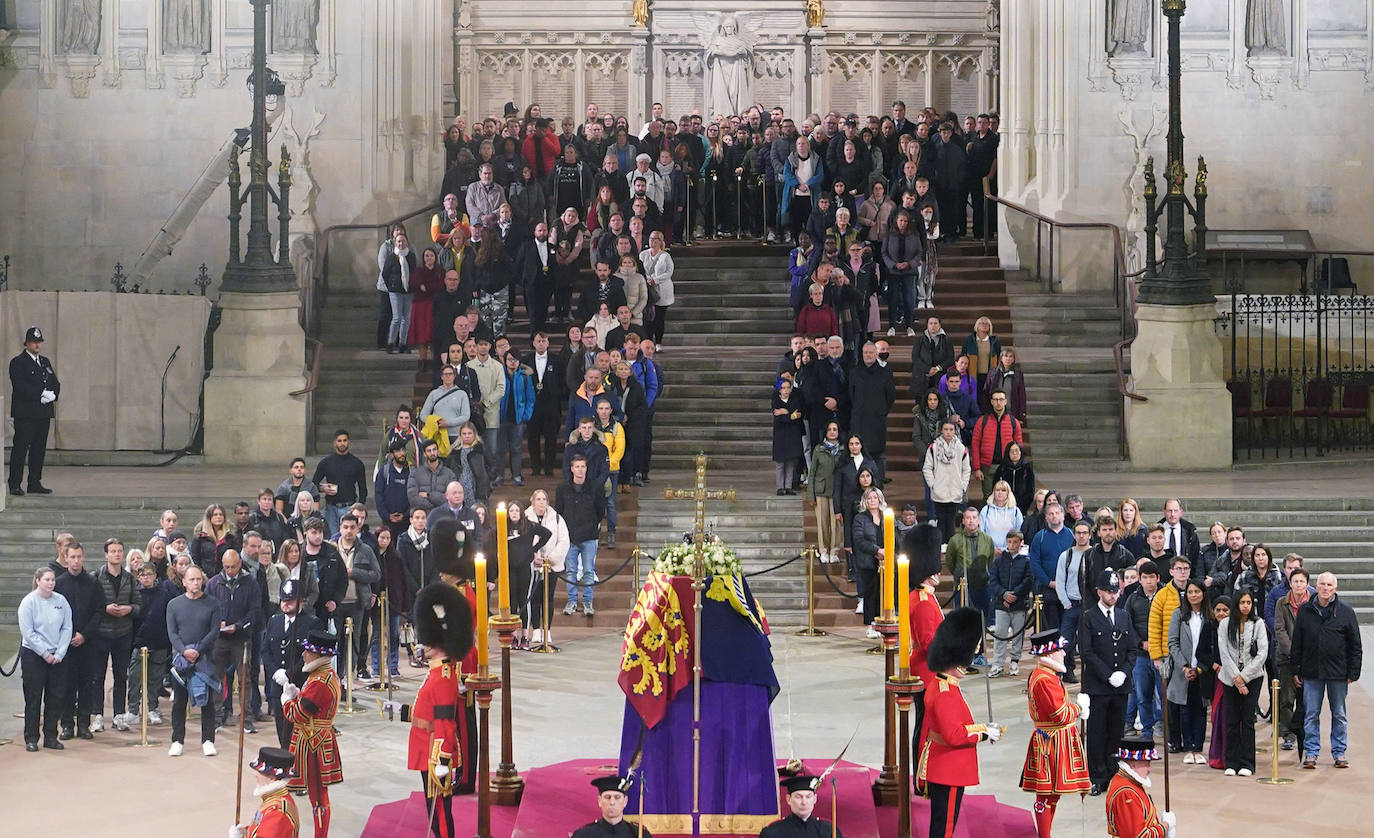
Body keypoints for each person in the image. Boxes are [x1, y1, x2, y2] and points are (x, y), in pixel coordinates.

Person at [389, 582, 475, 838]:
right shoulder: (436, 672)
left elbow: (446, 724)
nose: (422, 644)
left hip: (435, 753)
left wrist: (442, 760)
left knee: (439, 812)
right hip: (426, 748)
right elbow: (426, 713)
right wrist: (401, 711)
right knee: (433, 809)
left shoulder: (444, 677)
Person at [916, 607, 1003, 838]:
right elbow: (955, 734)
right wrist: (984, 732)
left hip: (944, 766)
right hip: (949, 768)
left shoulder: (942, 683)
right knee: (944, 829)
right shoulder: (945, 691)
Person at [1019, 628, 1091, 838]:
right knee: (1046, 794)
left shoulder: (1046, 674)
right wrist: (1079, 708)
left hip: (1054, 740)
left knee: (1052, 794)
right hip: (1051, 743)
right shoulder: (1044, 679)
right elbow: (1060, 714)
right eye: (1060, 650)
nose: (1063, 653)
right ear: (1049, 654)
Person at [1290, 571, 1362, 770]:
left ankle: (1339, 752)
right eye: (1322, 584)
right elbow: (1297, 642)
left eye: (1330, 585)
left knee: (1339, 714)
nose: (1325, 588)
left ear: (1335, 589)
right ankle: (1311, 752)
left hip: (1338, 674)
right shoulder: (1305, 611)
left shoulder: (1346, 612)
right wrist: (1296, 668)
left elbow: (1355, 645)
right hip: (1312, 673)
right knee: (1311, 714)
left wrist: (1353, 672)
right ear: (1316, 586)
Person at [1079, 569, 1137, 796]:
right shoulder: (1088, 617)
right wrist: (1107, 675)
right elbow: (1087, 652)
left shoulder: (1124, 616)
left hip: (1120, 687)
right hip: (1098, 686)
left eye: (1116, 591)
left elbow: (1132, 649)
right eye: (1109, 592)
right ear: (1099, 592)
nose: (1114, 596)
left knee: (1116, 733)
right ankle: (1097, 776)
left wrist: (1123, 672)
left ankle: (1114, 774)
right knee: (1096, 733)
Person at [281, 627, 344, 837]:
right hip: (317, 739)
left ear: (317, 654)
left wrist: (287, 700)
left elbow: (297, 715)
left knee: (318, 797)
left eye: (308, 651)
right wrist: (297, 694)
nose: (303, 654)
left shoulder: (319, 682)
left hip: (312, 743)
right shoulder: (325, 675)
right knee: (317, 796)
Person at [166, 565, 223, 757]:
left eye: (198, 579)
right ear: (184, 582)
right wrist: (184, 651)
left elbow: (214, 631)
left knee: (207, 702)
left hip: (204, 657)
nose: (195, 583)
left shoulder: (213, 604)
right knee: (179, 702)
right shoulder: (174, 604)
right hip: (181, 659)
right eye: (191, 579)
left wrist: (197, 650)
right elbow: (172, 633)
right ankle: (177, 740)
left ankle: (208, 740)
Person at [19, 566, 72, 751]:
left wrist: (59, 653)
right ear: (38, 581)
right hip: (34, 656)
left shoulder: (61, 601)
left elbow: (67, 627)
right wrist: (44, 654)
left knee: (55, 697)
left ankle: (51, 736)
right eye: (47, 580)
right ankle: (31, 738)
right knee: (34, 698)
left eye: (52, 580)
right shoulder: (28, 602)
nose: (51, 583)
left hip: (57, 657)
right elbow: (28, 632)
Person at [1216, 589, 1267, 776]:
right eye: (1242, 603)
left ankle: (1247, 763)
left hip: (1252, 678)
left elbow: (1262, 653)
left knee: (1247, 720)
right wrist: (1236, 679)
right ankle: (1231, 762)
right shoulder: (1225, 625)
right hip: (1229, 679)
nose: (1245, 606)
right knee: (1231, 720)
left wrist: (1244, 677)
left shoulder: (1259, 623)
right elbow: (1224, 654)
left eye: (1248, 603)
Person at [263, 579, 318, 749]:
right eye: (283, 600)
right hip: (278, 684)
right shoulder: (274, 621)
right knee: (281, 723)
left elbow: (310, 656)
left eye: (290, 600)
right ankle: (285, 756)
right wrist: (275, 672)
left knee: (299, 725)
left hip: (300, 684)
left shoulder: (311, 623)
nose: (285, 604)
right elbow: (265, 651)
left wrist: (289, 673)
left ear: (300, 601)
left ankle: (298, 760)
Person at [904, 522, 945, 738]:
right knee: (925, 727)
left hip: (923, 668)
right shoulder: (923, 601)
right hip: (927, 672)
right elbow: (931, 642)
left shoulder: (922, 596)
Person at [8, 325, 60, 495]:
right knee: (21, 449)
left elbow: (54, 382)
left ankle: (34, 482)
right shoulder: (18, 362)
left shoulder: (44, 361)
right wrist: (41, 393)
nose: (37, 345)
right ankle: (15, 484)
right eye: (33, 342)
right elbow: (20, 386)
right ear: (27, 344)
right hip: (26, 414)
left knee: (39, 450)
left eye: (39, 342)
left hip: (43, 413)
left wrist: (53, 395)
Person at [1166, 580, 1212, 765]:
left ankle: (1198, 748)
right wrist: (1184, 666)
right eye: (1190, 592)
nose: (1194, 595)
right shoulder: (1179, 614)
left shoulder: (1208, 616)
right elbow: (1172, 642)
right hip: (1182, 670)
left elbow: (1211, 644)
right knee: (1184, 710)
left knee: (1200, 710)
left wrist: (1200, 667)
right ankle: (1188, 747)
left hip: (1202, 670)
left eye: (1197, 591)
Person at [557, 453, 607, 617]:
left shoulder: (596, 487)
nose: (580, 470)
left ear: (586, 468)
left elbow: (600, 510)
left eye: (583, 466)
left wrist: (592, 524)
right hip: (570, 536)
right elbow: (559, 511)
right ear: (572, 469)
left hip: (589, 535)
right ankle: (572, 601)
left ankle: (587, 601)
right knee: (570, 571)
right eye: (577, 467)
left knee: (588, 571)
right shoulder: (562, 488)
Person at [1104, 734, 1177, 838]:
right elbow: (1140, 835)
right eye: (1147, 763)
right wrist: (1165, 826)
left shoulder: (1127, 781)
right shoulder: (1127, 793)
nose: (1149, 769)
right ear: (1134, 763)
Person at [1273, 567, 1313, 753]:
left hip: (1309, 659)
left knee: (1307, 699)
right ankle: (1287, 734)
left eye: (1301, 581)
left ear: (1307, 584)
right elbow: (1280, 631)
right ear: (1290, 583)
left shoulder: (1313, 602)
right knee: (1286, 698)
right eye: (1295, 581)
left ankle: (1306, 734)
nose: (1298, 584)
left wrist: (1305, 657)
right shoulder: (1282, 603)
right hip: (1287, 659)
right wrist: (1294, 655)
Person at [1124, 560, 1162, 740]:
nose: (1148, 581)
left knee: (1163, 696)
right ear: (1139, 579)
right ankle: (1147, 731)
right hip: (1141, 655)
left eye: (1151, 577)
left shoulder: (1165, 596)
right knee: (1142, 696)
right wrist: (1140, 643)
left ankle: (1167, 730)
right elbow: (1127, 625)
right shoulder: (1133, 598)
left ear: (1158, 578)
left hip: (1162, 655)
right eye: (1145, 578)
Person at [228, 746, 301, 838]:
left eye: (259, 772)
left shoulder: (277, 812)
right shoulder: (274, 800)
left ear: (272, 778)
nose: (256, 775)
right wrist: (246, 831)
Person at [987, 530, 1032, 677]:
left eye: (1015, 542)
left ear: (1021, 543)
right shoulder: (999, 560)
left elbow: (1028, 581)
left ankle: (1014, 661)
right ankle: (998, 663)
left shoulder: (1026, 561)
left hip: (1019, 604)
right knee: (1000, 634)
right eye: (1009, 542)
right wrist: (1004, 594)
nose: (1012, 545)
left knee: (1018, 634)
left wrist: (1015, 594)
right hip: (1002, 604)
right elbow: (993, 580)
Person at [947, 505, 997, 632]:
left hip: (982, 586)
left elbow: (990, 560)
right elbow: (950, 562)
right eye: (968, 518)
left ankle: (979, 650)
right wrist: (959, 575)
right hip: (962, 587)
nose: (971, 520)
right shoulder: (955, 540)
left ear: (979, 520)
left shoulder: (988, 540)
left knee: (981, 621)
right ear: (963, 521)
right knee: (960, 622)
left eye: (974, 517)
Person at [312, 431, 369, 538]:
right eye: (339, 441)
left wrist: (359, 508)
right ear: (334, 443)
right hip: (330, 508)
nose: (342, 443)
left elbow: (363, 489)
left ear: (349, 442)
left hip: (349, 507)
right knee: (331, 539)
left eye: (344, 440)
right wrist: (323, 488)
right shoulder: (326, 462)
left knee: (349, 537)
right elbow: (313, 484)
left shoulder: (357, 463)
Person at [970, 390, 1023, 500]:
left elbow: (1019, 447)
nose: (998, 402)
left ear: (1005, 401)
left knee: (1007, 498)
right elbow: (975, 444)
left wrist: (1018, 466)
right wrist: (977, 468)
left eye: (1001, 399)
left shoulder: (1014, 422)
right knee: (988, 498)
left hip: (1007, 466)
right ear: (991, 402)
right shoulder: (982, 421)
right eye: (996, 399)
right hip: (988, 466)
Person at [922, 421, 970, 544]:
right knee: (941, 522)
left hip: (955, 491)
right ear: (941, 431)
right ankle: (941, 548)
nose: (948, 432)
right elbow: (927, 468)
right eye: (946, 429)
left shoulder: (961, 448)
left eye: (951, 429)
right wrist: (933, 484)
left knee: (951, 522)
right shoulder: (933, 448)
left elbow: (966, 469)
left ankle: (950, 548)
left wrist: (963, 486)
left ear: (955, 431)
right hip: (939, 492)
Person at [851, 488, 888, 635]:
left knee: (883, 593)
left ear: (880, 500)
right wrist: (877, 551)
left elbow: (894, 536)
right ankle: (870, 625)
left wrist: (887, 552)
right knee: (870, 594)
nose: (872, 500)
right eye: (869, 498)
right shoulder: (860, 518)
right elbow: (859, 540)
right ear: (865, 501)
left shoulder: (887, 517)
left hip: (885, 562)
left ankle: (882, 622)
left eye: (875, 497)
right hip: (868, 561)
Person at [759, 775, 843, 837]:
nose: (804, 802)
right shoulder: (772, 832)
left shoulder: (828, 830)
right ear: (788, 799)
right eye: (798, 797)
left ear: (815, 799)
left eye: (808, 796)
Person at [572, 775, 654, 838]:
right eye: (607, 797)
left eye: (617, 797)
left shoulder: (639, 834)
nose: (612, 802)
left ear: (625, 801)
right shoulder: (583, 835)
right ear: (599, 801)